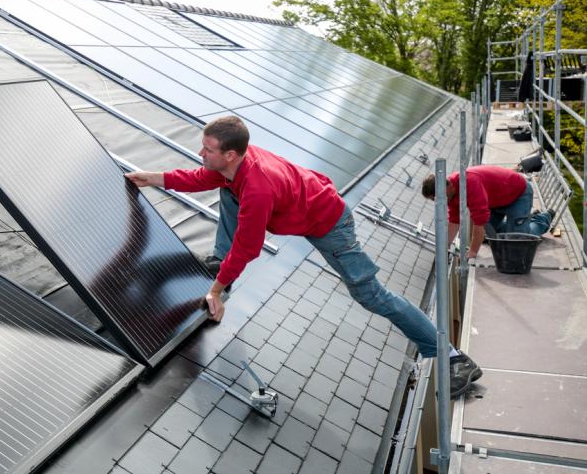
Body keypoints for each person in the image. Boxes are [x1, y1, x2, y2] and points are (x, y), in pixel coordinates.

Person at [126, 116, 482, 399]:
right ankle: (223, 264)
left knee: (371, 295)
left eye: (207, 149)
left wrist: (216, 292)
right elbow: (202, 176)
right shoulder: (234, 165)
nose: (201, 154)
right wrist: (154, 178)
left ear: (231, 154)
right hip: (305, 205)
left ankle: (451, 357)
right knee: (225, 191)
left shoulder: (258, 186)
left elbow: (249, 247)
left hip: (330, 223)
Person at [422, 165, 553, 259]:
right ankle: (521, 221)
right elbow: (454, 221)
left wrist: (472, 252)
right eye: (434, 200)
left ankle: (543, 219)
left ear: (448, 185)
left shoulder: (469, 183)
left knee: (518, 240)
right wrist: (444, 248)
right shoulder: (449, 195)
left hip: (517, 195)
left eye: (437, 197)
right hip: (495, 201)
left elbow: (479, 222)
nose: (438, 201)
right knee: (491, 237)